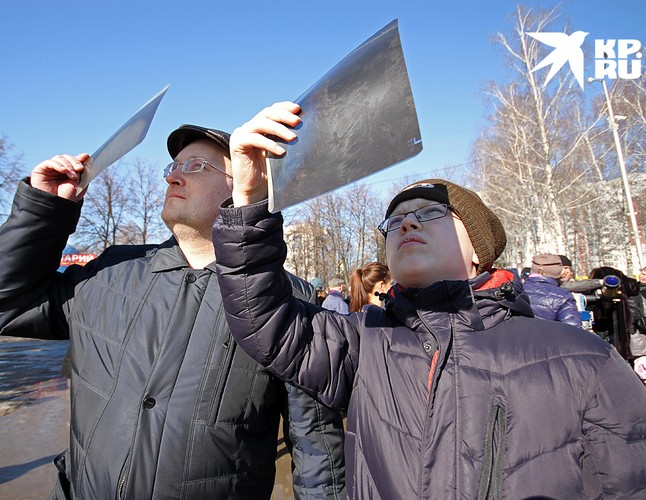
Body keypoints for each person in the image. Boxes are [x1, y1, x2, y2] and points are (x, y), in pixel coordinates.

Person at [211, 101, 646, 498]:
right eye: (395, 220)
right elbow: (264, 319)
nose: (407, 224)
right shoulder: (365, 343)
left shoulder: (584, 359)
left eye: (431, 213)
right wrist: (249, 200)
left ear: (478, 248)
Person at [0, 124, 345, 499]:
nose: (174, 177)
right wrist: (46, 208)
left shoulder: (283, 300)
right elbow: (6, 307)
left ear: (245, 185)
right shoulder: (109, 273)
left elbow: (315, 448)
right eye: (173, 167)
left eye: (197, 166)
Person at [523, 253, 582, 327]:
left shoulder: (514, 292)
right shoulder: (563, 296)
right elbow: (573, 330)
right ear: (558, 271)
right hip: (550, 337)